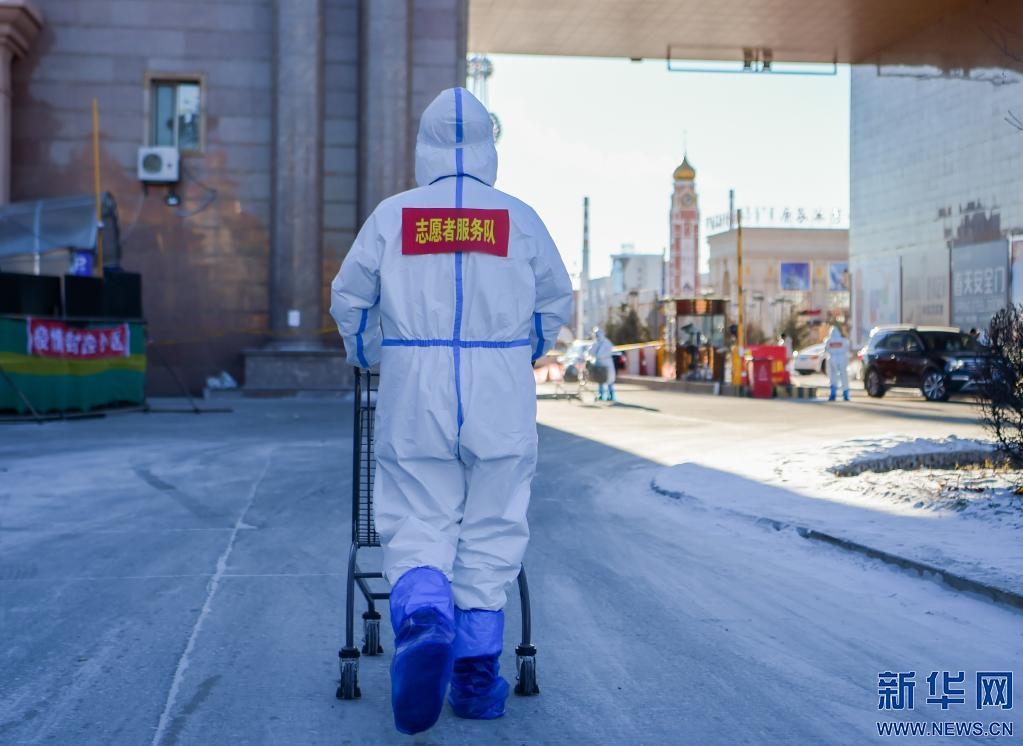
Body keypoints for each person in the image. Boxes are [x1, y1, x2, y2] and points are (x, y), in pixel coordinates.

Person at [330, 87, 572, 735]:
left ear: (424, 146)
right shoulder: (519, 217)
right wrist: (522, 349)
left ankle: (424, 617)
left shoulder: (393, 216)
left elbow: (350, 298)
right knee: (494, 523)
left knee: (416, 514)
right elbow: (554, 301)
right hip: (500, 387)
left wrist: (369, 351)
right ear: (489, 148)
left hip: (415, 381)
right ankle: (474, 680)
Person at [824, 325, 851, 401]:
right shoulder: (843, 340)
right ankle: (845, 394)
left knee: (833, 376)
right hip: (842, 359)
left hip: (832, 359)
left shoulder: (828, 341)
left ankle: (833, 394)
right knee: (844, 376)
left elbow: (826, 349)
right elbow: (847, 349)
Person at [589, 326, 616, 401]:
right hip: (599, 364)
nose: (597, 335)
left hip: (607, 364)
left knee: (609, 380)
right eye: (596, 334)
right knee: (600, 379)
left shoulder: (607, 343)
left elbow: (606, 352)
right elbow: (591, 352)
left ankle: (611, 395)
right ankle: (601, 395)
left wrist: (598, 355)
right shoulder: (595, 343)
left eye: (598, 334)